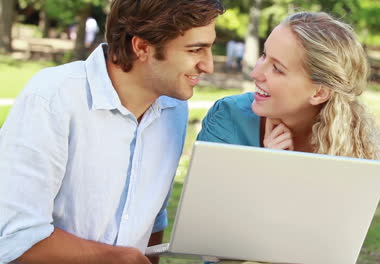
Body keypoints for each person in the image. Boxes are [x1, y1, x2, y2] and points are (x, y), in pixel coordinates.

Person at [0, 0, 224, 263]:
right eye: (196, 50)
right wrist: (112, 257)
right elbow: (14, 240)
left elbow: (153, 220)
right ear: (142, 47)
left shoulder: (173, 108)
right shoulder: (52, 98)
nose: (208, 66)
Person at [200, 11, 380, 264]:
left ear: (319, 92)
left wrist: (286, 179)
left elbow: (330, 254)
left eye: (277, 68)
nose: (256, 72)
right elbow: (211, 246)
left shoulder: (359, 143)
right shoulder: (229, 119)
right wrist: (267, 171)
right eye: (264, 55)